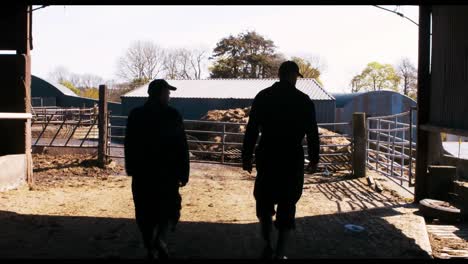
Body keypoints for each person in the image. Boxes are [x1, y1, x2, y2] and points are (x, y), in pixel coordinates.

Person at [242, 61, 320, 259]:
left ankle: (267, 244)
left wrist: (246, 157)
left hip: (267, 154)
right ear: (294, 75)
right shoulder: (303, 100)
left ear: (279, 74)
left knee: (265, 200)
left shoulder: (263, 97)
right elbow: (312, 133)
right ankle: (280, 253)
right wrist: (314, 158)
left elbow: (251, 130)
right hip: (291, 157)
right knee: (288, 202)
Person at [124, 79, 190, 260]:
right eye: (167, 93)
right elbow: (181, 145)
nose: (169, 96)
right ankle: (160, 239)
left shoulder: (136, 114)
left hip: (143, 173)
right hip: (167, 173)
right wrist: (184, 172)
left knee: (144, 210)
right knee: (169, 209)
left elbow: (129, 143)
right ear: (160, 94)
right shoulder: (172, 115)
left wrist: (130, 167)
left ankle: (149, 247)